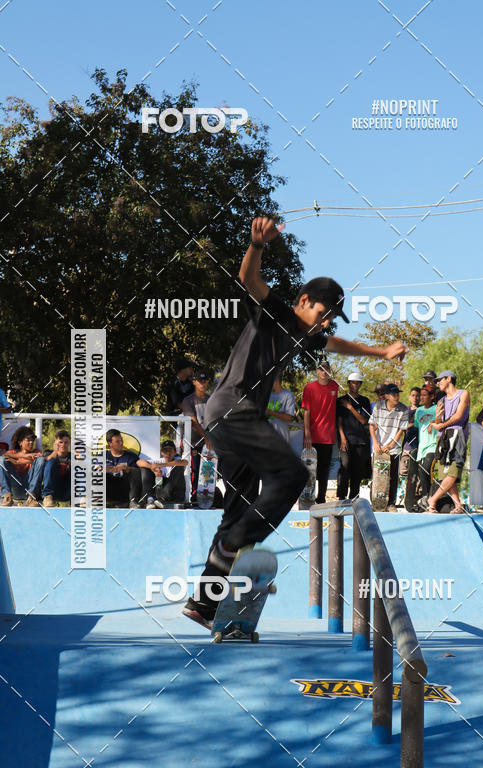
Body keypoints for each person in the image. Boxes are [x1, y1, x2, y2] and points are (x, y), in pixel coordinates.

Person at [183, 215, 407, 627]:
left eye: (328, 319)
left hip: (224, 416)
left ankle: (203, 602)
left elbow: (337, 343)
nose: (323, 324)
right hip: (235, 410)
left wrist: (380, 353)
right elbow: (249, 279)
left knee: (238, 505)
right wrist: (258, 245)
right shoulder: (274, 313)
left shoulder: (307, 333)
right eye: (321, 313)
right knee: (290, 475)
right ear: (303, 300)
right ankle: (238, 542)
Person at [427, 371, 470, 513]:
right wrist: (437, 417)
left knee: (453, 472)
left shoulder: (463, 394)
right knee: (446, 474)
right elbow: (438, 421)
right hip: (442, 437)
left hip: (457, 436)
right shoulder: (442, 400)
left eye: (440, 380)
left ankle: (432, 499)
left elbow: (459, 416)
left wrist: (441, 424)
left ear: (449, 379)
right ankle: (458, 505)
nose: (437, 383)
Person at [302, 361, 339, 504]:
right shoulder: (309, 388)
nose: (324, 372)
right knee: (309, 470)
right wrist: (307, 435)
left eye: (326, 369)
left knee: (324, 471)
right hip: (312, 436)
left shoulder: (335, 386)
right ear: (317, 371)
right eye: (321, 369)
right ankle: (307, 497)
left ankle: (321, 499)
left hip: (328, 436)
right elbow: (306, 412)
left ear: (329, 371)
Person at [368, 384, 408, 511]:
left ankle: (391, 503)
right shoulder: (378, 406)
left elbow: (401, 429)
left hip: (393, 447)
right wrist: (375, 442)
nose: (396, 397)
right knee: (377, 475)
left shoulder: (403, 409)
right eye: (393, 394)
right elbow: (371, 425)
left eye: (398, 394)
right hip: (379, 446)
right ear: (386, 396)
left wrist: (392, 444)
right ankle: (375, 503)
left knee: (393, 476)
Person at [337, 372, 371, 500]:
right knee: (345, 466)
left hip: (360, 440)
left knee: (357, 472)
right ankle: (341, 497)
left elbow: (364, 420)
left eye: (357, 383)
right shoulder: (341, 400)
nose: (355, 385)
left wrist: (351, 408)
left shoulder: (365, 401)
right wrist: (342, 438)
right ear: (348, 383)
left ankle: (354, 498)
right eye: (352, 382)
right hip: (346, 440)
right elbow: (338, 421)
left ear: (360, 384)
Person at [181, 371, 212, 503]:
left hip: (210, 443)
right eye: (200, 381)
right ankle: (194, 499)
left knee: (209, 473)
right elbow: (193, 422)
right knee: (195, 471)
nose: (203, 384)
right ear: (194, 382)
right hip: (194, 443)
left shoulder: (211, 399)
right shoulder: (189, 400)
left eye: (205, 381)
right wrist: (206, 438)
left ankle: (207, 499)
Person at [0, 426, 45, 506]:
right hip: (15, 488)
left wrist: (17, 462)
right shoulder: (13, 452)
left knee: (40, 460)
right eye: (28, 440)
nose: (31, 442)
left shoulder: (36, 451)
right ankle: (7, 496)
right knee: (1, 460)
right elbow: (4, 455)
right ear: (20, 442)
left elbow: (38, 459)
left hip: (30, 489)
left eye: (32, 441)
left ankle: (32, 497)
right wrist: (23, 455)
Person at [137, 440, 188, 508]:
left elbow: (185, 462)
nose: (168, 453)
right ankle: (150, 499)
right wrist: (152, 468)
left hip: (175, 494)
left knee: (178, 467)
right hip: (159, 492)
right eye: (165, 451)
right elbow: (139, 462)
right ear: (162, 453)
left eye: (170, 451)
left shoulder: (177, 459)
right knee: (145, 468)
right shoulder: (159, 461)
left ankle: (163, 497)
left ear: (175, 452)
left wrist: (162, 465)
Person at [411, 386, 438, 511]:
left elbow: (441, 422)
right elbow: (417, 427)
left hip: (433, 446)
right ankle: (426, 499)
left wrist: (434, 423)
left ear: (432, 397)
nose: (421, 397)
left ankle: (431, 498)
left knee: (426, 469)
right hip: (422, 447)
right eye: (420, 395)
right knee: (422, 473)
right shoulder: (419, 410)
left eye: (424, 395)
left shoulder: (437, 408)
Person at [105, 429, 144, 509]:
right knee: (96, 472)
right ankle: (97, 500)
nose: (121, 443)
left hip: (125, 490)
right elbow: (95, 469)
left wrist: (126, 468)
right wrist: (112, 469)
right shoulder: (102, 456)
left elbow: (138, 474)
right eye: (117, 441)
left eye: (121, 440)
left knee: (136, 471)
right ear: (110, 443)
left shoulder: (132, 456)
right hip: (109, 489)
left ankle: (133, 501)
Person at [399, 386, 421, 510]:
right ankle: (406, 494)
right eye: (413, 395)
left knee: (418, 473)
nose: (415, 398)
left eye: (418, 395)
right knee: (404, 470)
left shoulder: (423, 410)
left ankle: (416, 498)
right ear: (409, 397)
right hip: (408, 445)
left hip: (420, 445)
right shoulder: (405, 410)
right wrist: (412, 424)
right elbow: (402, 426)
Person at [42, 430, 71, 507]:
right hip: (53, 490)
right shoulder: (48, 453)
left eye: (66, 442)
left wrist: (80, 459)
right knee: (50, 462)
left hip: (68, 490)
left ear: (69, 443)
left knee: (80, 463)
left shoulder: (72, 456)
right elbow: (45, 461)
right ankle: (47, 496)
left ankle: (81, 497)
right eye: (60, 442)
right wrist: (55, 451)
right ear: (55, 444)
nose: (63, 445)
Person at [267, 373, 295, 442]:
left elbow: (289, 418)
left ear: (276, 381)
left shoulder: (288, 395)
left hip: (282, 440)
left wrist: (270, 412)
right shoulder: (267, 395)